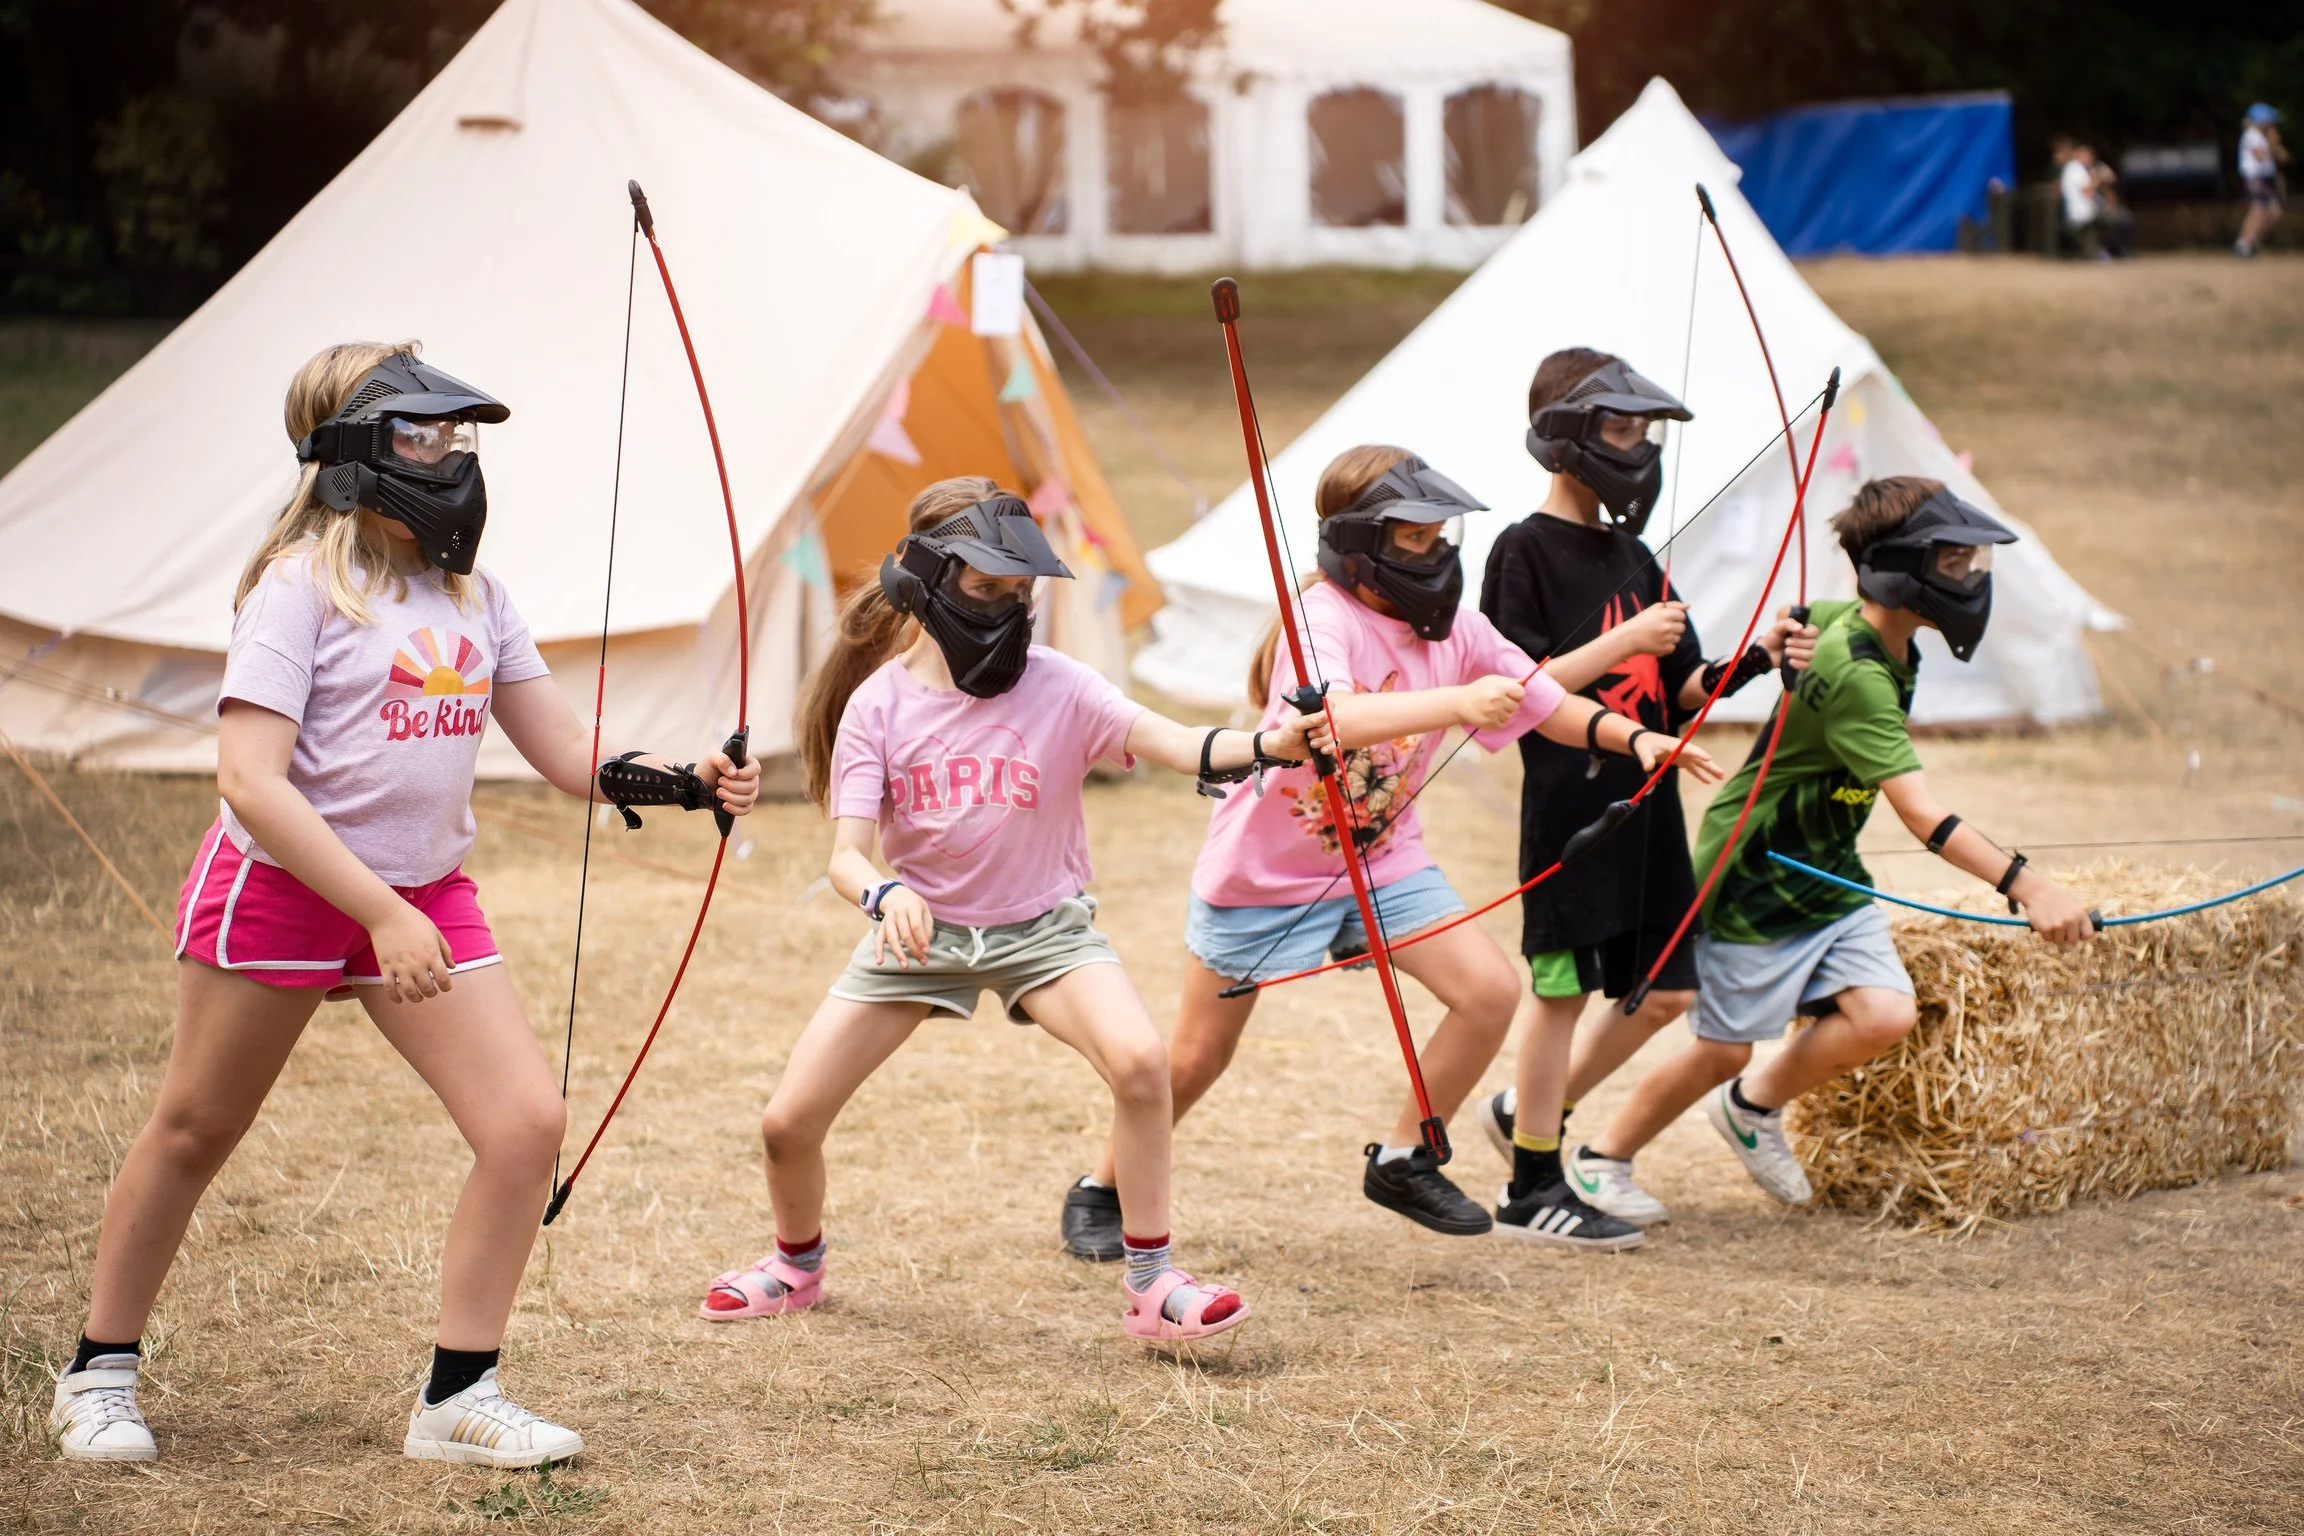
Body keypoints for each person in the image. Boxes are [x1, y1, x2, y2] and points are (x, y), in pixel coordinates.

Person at [49, 344, 760, 1466]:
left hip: (426, 894)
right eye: (418, 435)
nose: (448, 458)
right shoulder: (296, 587)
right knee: (195, 1128)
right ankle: (97, 1373)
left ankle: (457, 1399)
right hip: (284, 891)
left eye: (454, 436)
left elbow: (562, 747)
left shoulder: (478, 595)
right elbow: (249, 781)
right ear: (350, 453)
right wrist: (379, 913)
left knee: (524, 1124)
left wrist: (681, 780)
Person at [1060, 445, 1723, 1257]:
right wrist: (1458, 701)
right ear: (1360, 542)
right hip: (1266, 874)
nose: (1435, 550)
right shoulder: (1321, 619)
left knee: (1488, 991)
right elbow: (1332, 721)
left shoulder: (1458, 629)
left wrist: (1637, 738)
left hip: (1383, 862)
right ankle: (1102, 1187)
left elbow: (1547, 703)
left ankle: (1406, 1158)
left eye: (1441, 534)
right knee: (1198, 1057)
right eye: (1414, 536)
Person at [703, 478, 1313, 1344]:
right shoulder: (878, 705)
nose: (1006, 609)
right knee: (786, 1123)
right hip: (921, 939)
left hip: (1045, 935)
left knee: (1143, 1064)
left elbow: (1179, 743)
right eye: (986, 588)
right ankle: (795, 1267)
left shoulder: (1062, 684)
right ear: (927, 582)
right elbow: (846, 857)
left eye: (1019, 591)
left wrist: (1269, 743)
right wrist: (886, 893)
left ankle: (1153, 1286)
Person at [1577, 476, 2096, 1212]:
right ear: (1901, 568)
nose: (1969, 577)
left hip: (1826, 866)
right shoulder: (1860, 677)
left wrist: (1789, 627)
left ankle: (1750, 1108)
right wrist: (2030, 887)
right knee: (1722, 1049)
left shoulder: (1853, 629)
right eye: (1952, 561)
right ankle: (1601, 1158)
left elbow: (1809, 616)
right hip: (1758, 870)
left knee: (1883, 1013)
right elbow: (1923, 816)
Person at [1471, 349, 1815, 1242]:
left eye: (1643, 432)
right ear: (1567, 438)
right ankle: (1531, 1187)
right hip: (1573, 813)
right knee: (1561, 992)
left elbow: (1685, 689)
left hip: (1652, 809)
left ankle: (1529, 1114)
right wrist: (1625, 643)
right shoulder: (1521, 550)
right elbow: (1517, 687)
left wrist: (1758, 656)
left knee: (1664, 993)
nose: (1640, 449)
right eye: (1621, 430)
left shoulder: (1634, 557)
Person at [2237, 103, 2288, 258]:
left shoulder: (2262, 136)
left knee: (2275, 212)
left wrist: (2276, 147)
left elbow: (2283, 157)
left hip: (2266, 178)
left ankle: (2252, 240)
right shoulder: (2251, 135)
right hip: (2255, 177)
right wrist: (2272, 144)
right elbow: (2259, 156)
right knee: (2258, 209)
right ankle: (2243, 244)